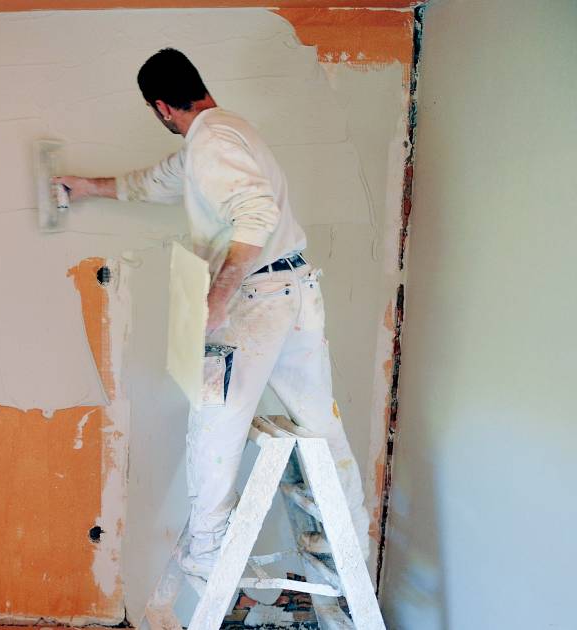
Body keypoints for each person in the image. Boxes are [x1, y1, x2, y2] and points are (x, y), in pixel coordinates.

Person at [55, 48, 370, 577]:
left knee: (215, 420)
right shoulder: (225, 132)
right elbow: (154, 182)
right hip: (293, 289)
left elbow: (256, 214)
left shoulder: (211, 143)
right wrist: (85, 187)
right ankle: (351, 537)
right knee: (318, 419)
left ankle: (208, 552)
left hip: (258, 298)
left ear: (161, 107)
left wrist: (218, 297)